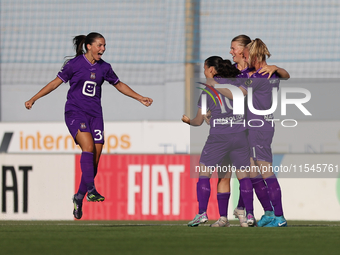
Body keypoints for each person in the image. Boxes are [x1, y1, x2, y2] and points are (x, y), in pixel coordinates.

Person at [25, 32, 153, 220]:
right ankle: (91, 190)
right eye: (100, 45)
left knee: (94, 161)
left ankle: (78, 197)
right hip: (75, 112)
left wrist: (139, 97)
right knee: (88, 147)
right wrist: (33, 98)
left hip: (96, 116)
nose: (103, 49)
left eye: (104, 45)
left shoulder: (105, 67)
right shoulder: (74, 65)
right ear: (89, 46)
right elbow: (55, 83)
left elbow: (119, 85)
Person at [182, 56, 256, 227]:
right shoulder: (237, 86)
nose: (204, 72)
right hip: (239, 136)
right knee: (237, 176)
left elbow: (198, 121)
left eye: (205, 68)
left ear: (212, 71)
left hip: (219, 138)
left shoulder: (208, 91)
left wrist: (188, 120)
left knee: (204, 173)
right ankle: (245, 215)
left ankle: (201, 213)